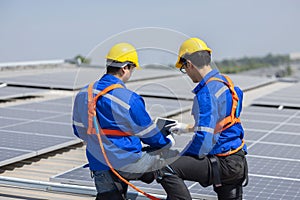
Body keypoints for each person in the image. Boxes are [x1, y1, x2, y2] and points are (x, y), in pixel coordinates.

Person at [72, 42, 175, 200]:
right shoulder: (128, 100)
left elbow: (78, 130)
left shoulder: (83, 93)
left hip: (98, 163)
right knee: (172, 159)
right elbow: (150, 136)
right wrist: (167, 142)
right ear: (125, 67)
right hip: (127, 162)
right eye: (132, 68)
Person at [156, 38, 248, 200]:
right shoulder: (227, 84)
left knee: (166, 168)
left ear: (189, 64)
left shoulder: (206, 93)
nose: (186, 72)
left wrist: (182, 156)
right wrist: (188, 127)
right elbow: (223, 123)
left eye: (184, 68)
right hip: (238, 161)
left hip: (223, 163)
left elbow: (204, 142)